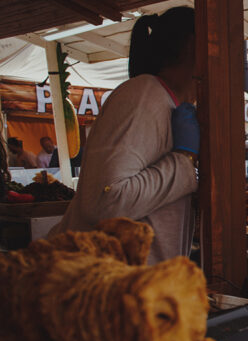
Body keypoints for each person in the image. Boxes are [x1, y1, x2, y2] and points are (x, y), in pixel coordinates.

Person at [51, 7, 199, 264]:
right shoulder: (143, 96)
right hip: (102, 287)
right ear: (192, 47)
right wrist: (183, 160)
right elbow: (105, 201)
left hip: (134, 286)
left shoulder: (165, 101)